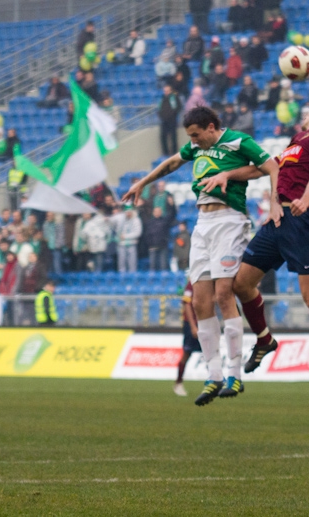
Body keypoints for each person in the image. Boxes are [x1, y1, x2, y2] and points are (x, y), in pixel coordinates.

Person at [122, 106, 280, 406]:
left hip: (230, 220)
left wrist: (273, 202)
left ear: (211, 127)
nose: (194, 142)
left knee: (224, 294)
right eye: (190, 138)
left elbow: (271, 166)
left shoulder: (238, 141)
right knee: (199, 301)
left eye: (197, 135)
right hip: (202, 224)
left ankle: (235, 373)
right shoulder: (196, 146)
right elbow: (172, 163)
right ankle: (214, 375)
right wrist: (143, 182)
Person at [210, 100, 309, 387]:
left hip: (302, 221)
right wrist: (229, 174)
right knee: (241, 284)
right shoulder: (297, 140)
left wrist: (305, 198)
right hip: (277, 219)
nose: (305, 112)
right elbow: (269, 168)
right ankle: (264, 339)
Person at [174, 279, 201, 397]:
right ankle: (178, 383)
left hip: (205, 322)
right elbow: (187, 304)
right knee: (187, 352)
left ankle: (216, 382)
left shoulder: (209, 281)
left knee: (213, 352)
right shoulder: (191, 284)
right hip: (192, 323)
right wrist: (193, 326)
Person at [158, 85, 181, 156]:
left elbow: (178, 107)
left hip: (172, 120)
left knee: (173, 137)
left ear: (170, 90)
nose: (166, 92)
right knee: (163, 137)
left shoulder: (174, 98)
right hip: (164, 121)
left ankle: (174, 152)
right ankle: (165, 153)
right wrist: (161, 116)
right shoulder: (162, 98)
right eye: (165, 91)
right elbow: (159, 109)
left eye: (167, 91)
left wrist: (172, 115)